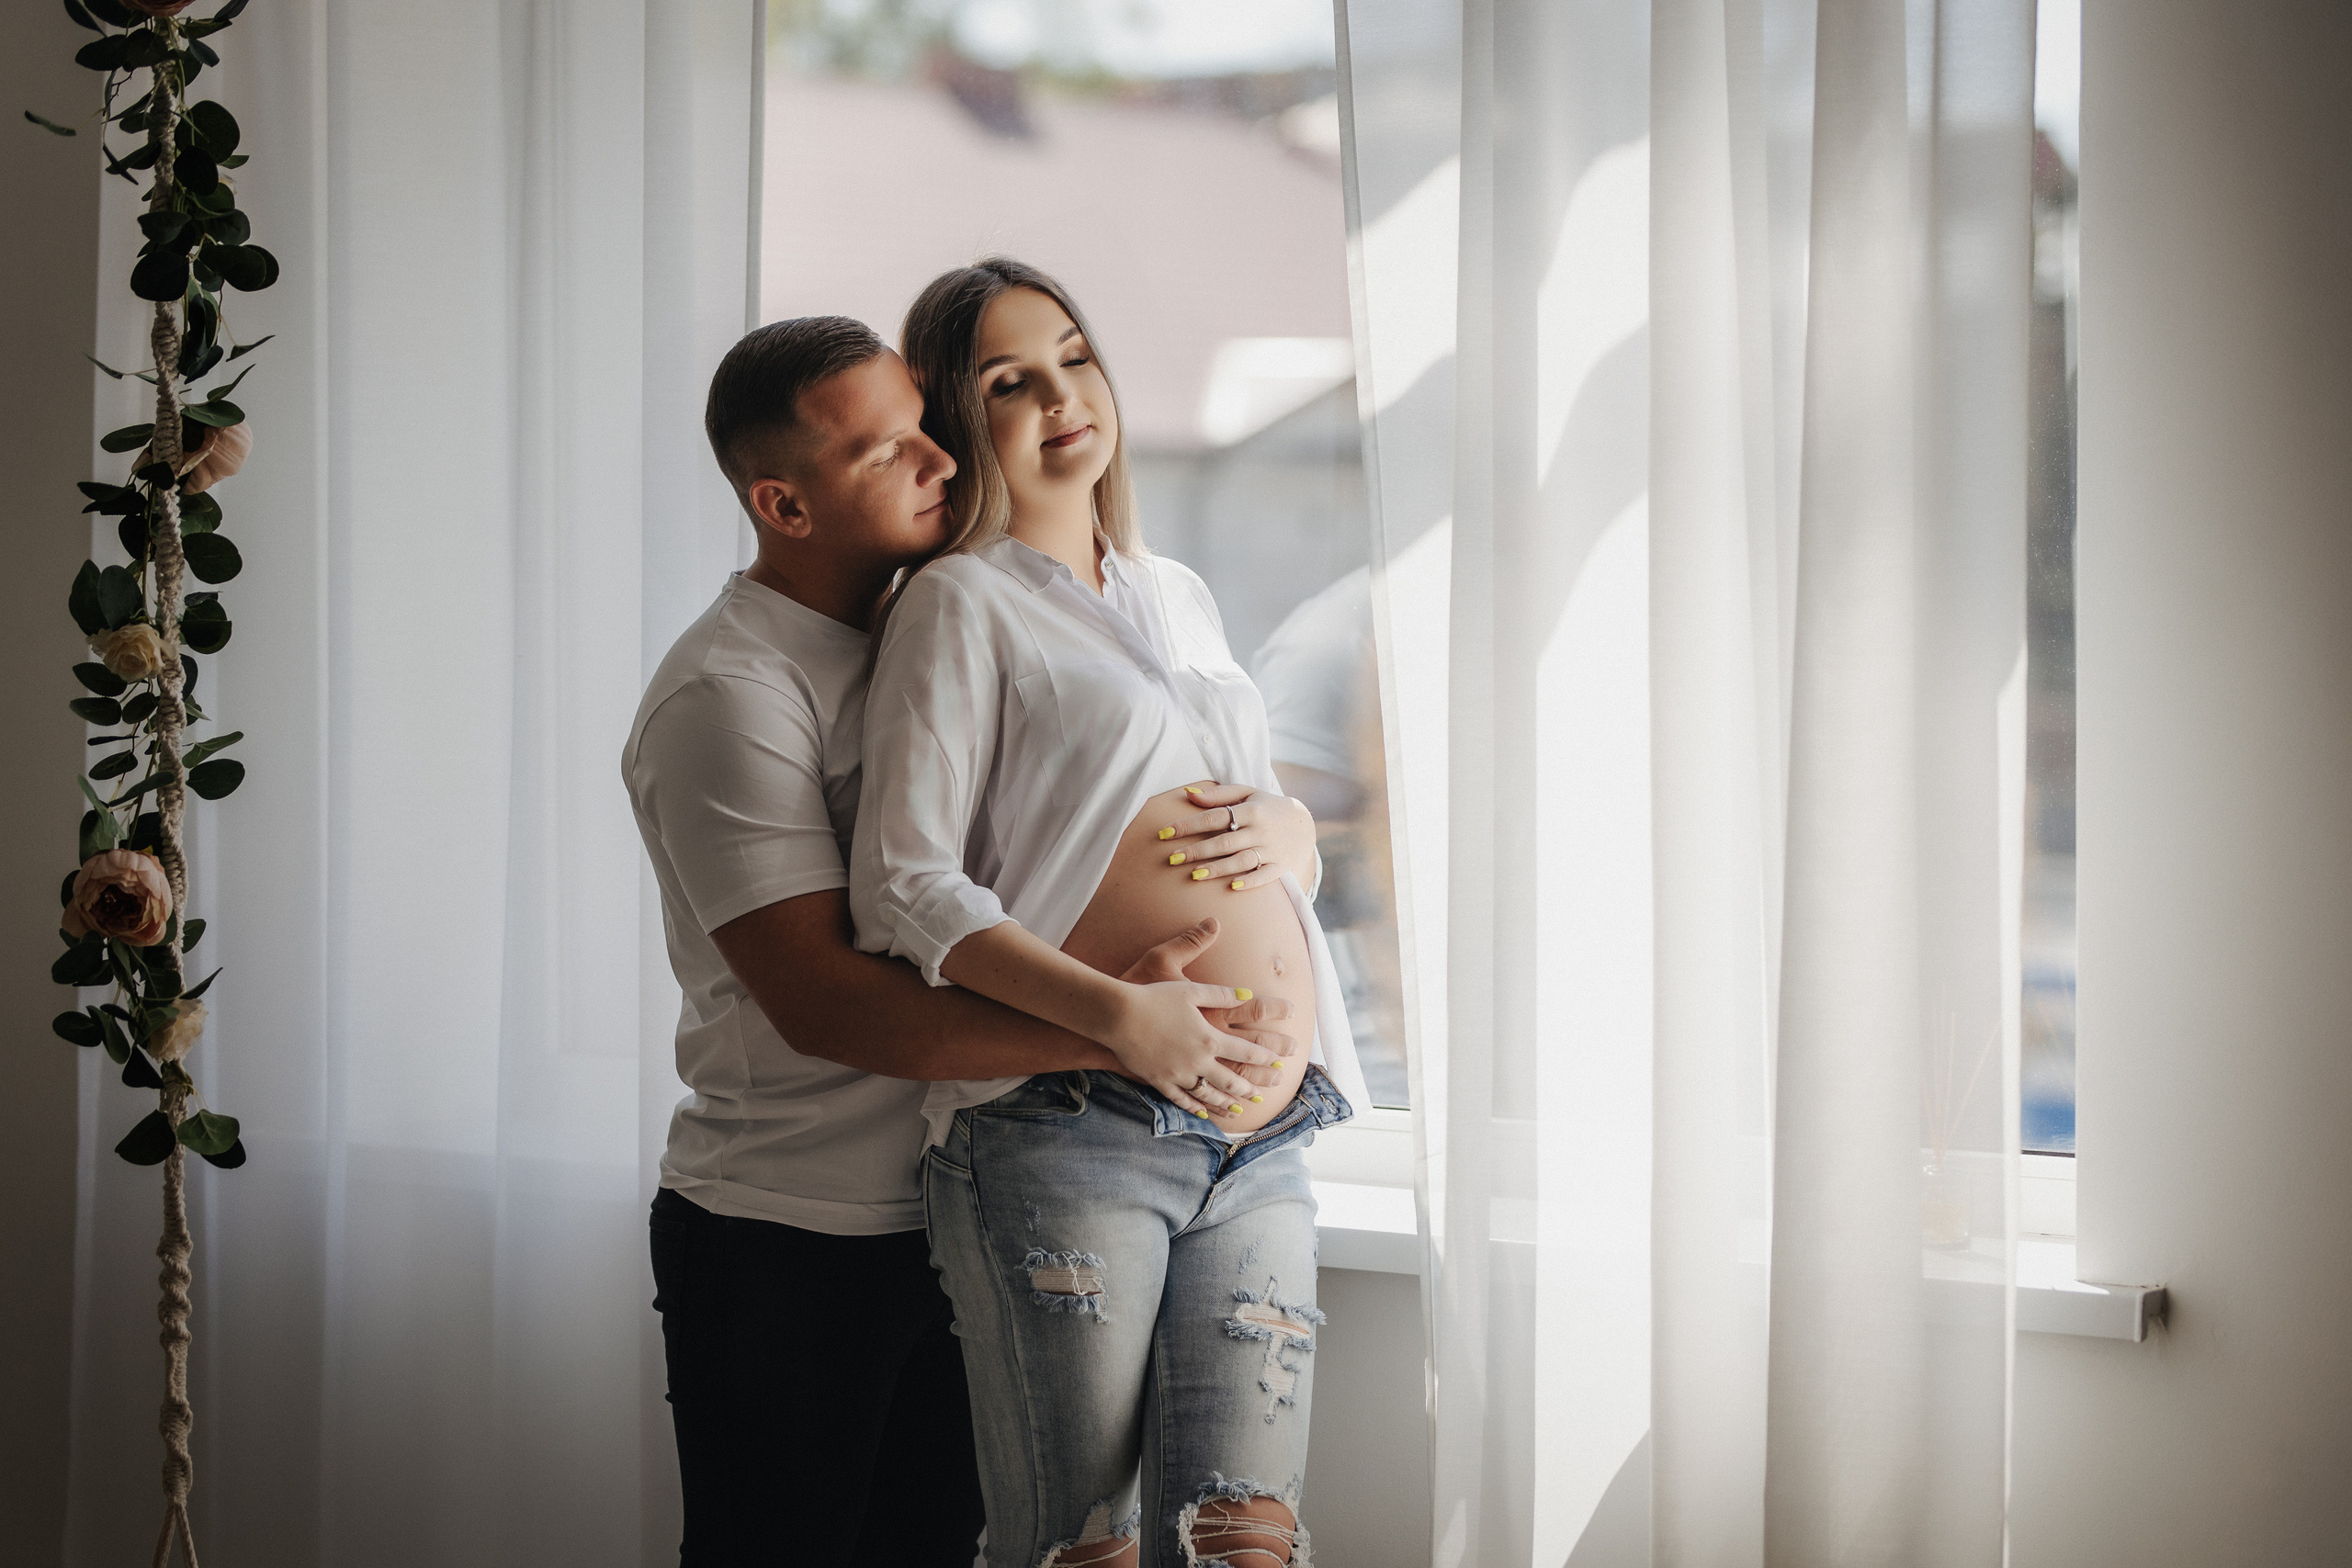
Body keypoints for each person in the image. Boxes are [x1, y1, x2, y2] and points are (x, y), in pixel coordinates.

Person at [624, 315, 1313, 1566]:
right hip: (795, 1232)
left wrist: (1280, 829)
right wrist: (1119, 1028)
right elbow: (830, 1003)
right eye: (887, 452)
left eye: (928, 429)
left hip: (963, 1190)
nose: (939, 461)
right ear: (783, 501)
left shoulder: (942, 625)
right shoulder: (730, 697)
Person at [850, 258, 1371, 1567]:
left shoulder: (1171, 589)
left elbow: (1246, 829)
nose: (1061, 397)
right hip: (1070, 1130)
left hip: (1259, 1134)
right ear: (962, 427)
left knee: (1244, 1544)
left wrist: (1295, 834)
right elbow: (905, 885)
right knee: (1082, 1549)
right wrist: (1123, 1022)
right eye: (1009, 382)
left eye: (1075, 357)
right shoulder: (957, 605)